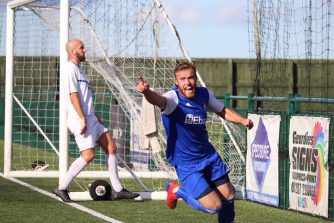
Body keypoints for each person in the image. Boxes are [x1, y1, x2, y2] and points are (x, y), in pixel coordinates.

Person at [136, 61, 253, 223]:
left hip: (209, 156)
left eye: (190, 78)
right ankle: (177, 190)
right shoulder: (172, 98)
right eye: (182, 79)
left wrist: (242, 120)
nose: (187, 82)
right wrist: (147, 92)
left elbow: (222, 110)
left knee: (229, 196)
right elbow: (158, 100)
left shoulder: (203, 94)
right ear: (176, 82)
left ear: (195, 79)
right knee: (214, 207)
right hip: (187, 163)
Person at [53, 39, 139, 202]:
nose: (85, 50)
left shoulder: (81, 71)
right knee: (88, 155)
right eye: (81, 48)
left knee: (112, 147)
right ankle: (61, 188)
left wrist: (94, 116)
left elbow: (85, 98)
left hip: (91, 118)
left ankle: (118, 190)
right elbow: (73, 96)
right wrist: (83, 118)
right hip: (80, 119)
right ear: (73, 52)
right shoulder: (69, 68)